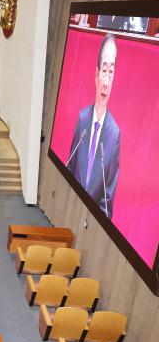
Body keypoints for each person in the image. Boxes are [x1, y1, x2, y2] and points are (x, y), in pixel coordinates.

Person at [66, 33, 120, 219]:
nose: (106, 82)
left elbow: (107, 197)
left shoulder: (114, 134)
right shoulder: (83, 118)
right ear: (96, 74)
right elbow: (70, 167)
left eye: (111, 72)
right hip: (70, 205)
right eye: (104, 71)